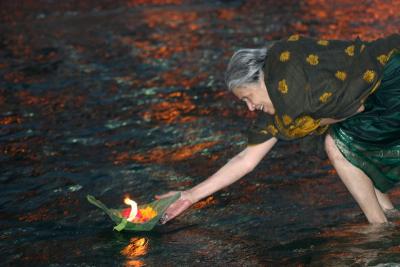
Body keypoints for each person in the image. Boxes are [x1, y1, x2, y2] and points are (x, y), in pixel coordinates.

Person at [155, 34, 400, 225]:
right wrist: (190, 195)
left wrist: (324, 125)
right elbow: (246, 159)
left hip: (392, 78)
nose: (250, 108)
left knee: (338, 144)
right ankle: (389, 218)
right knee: (348, 144)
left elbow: (355, 107)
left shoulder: (288, 71)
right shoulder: (278, 99)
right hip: (378, 95)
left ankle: (379, 230)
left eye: (247, 98)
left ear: (259, 79)